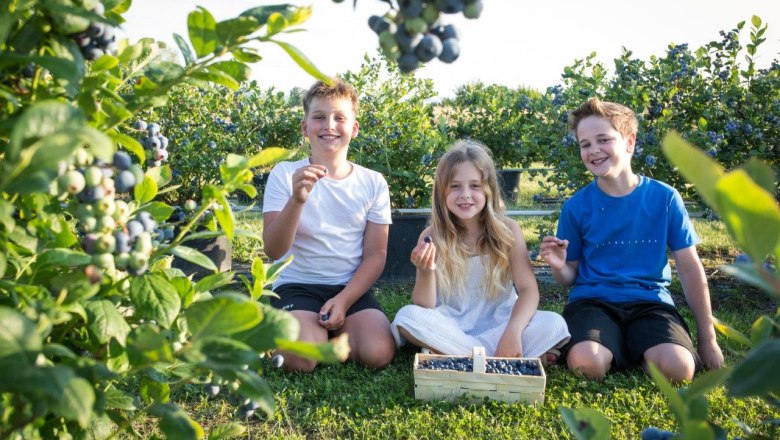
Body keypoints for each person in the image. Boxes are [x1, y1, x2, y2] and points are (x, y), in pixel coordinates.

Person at [540, 97, 724, 383]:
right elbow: (568, 277)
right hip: (593, 302)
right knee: (586, 364)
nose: (594, 150)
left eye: (603, 139)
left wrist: (707, 337)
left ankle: (636, 347)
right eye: (585, 144)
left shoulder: (664, 198)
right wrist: (558, 265)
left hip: (650, 302)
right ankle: (613, 348)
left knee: (678, 369)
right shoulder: (576, 207)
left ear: (630, 142)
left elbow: (689, 268)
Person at [391, 139, 570, 362]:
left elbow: (528, 290)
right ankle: (499, 358)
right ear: (442, 193)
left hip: (501, 325)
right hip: (452, 325)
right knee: (407, 317)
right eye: (455, 186)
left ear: (489, 191)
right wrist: (426, 271)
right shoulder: (433, 235)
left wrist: (513, 332)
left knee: (554, 323)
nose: (465, 194)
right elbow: (424, 305)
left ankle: (458, 355)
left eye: (474, 186)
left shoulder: (508, 230)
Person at [262, 77, 395, 372]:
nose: (329, 126)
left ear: (354, 128)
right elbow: (272, 249)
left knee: (379, 353)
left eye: (340, 118)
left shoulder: (372, 182)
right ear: (305, 127)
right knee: (300, 360)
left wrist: (345, 301)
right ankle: (305, 329)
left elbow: (376, 254)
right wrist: (297, 201)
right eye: (319, 117)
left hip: (349, 286)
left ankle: (328, 327)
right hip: (297, 285)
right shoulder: (285, 174)